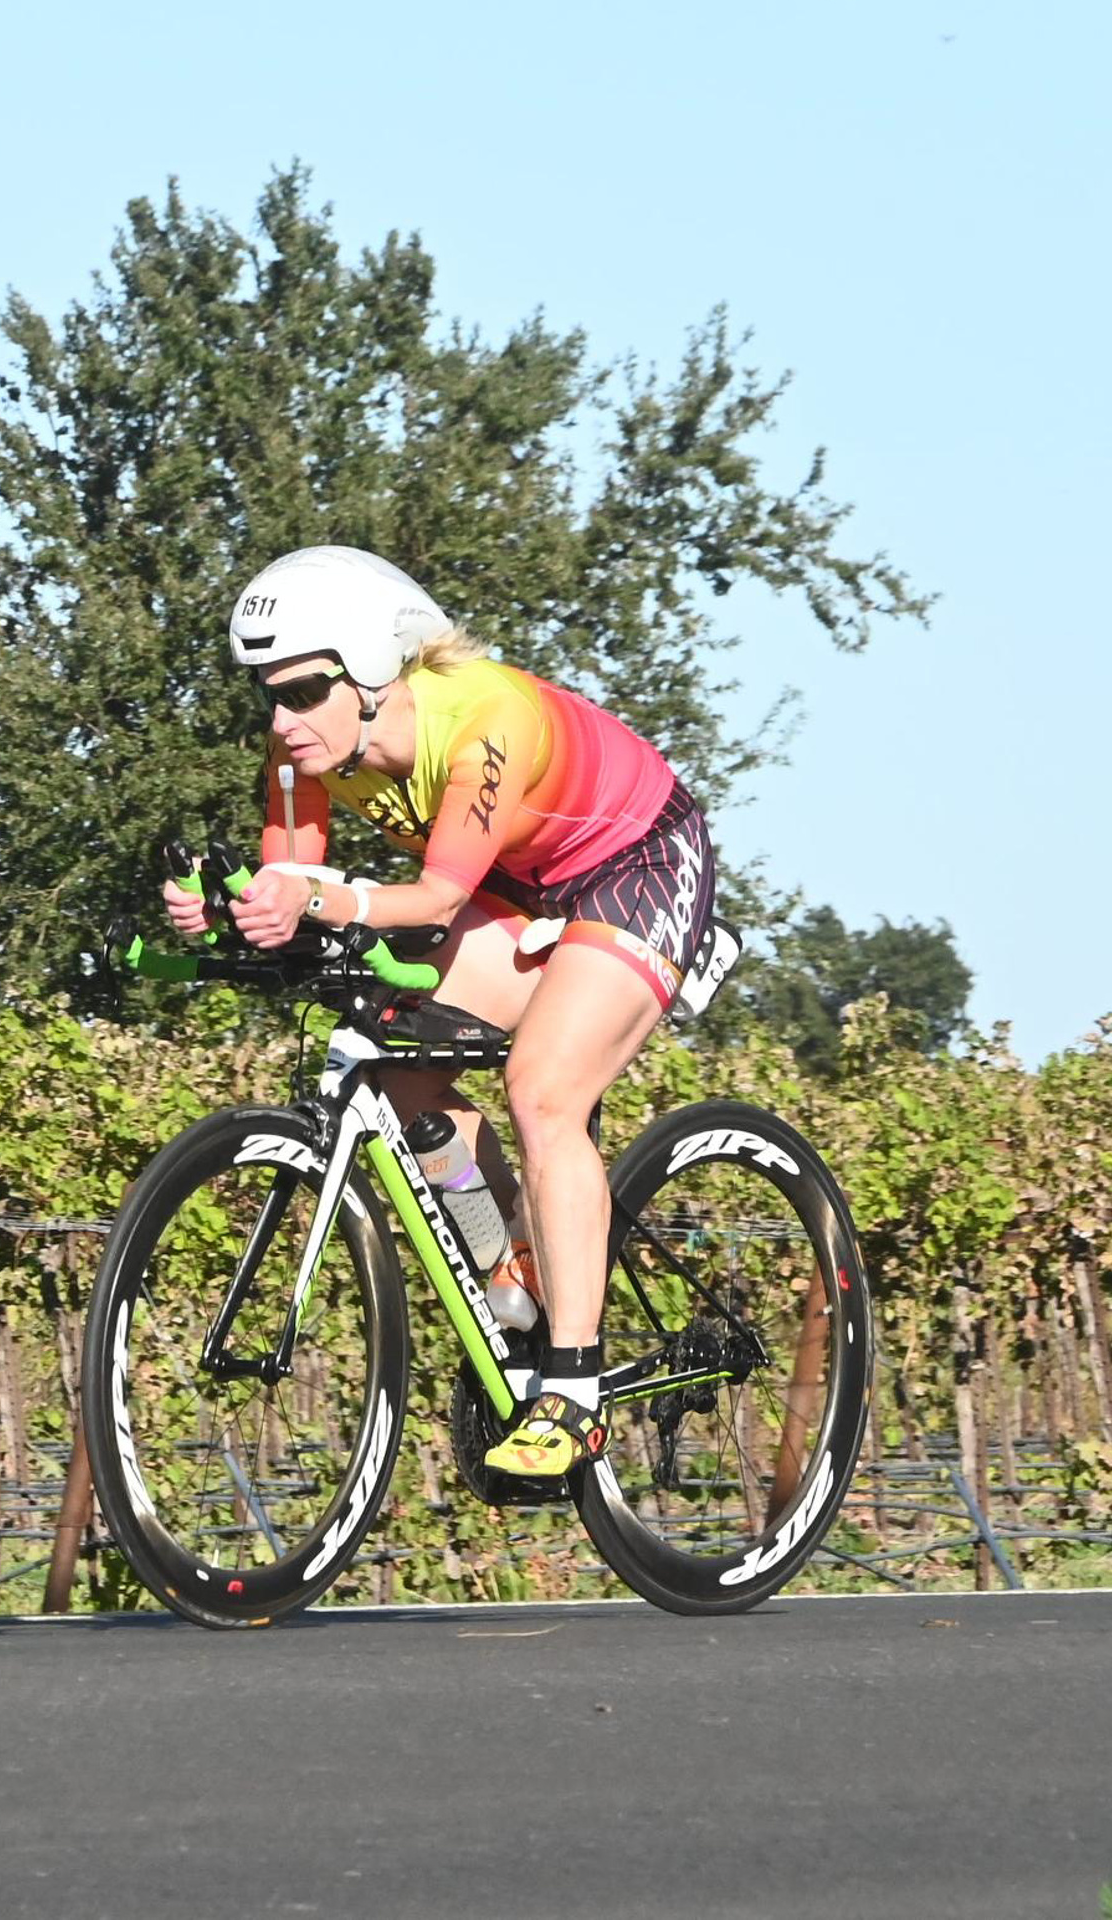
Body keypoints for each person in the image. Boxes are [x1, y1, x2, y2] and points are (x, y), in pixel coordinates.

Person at [162, 545, 717, 1478]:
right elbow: (294, 882)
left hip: (637, 864)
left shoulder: (482, 721)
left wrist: (312, 899)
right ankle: (514, 1258)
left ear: (373, 672)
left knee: (543, 1091)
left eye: (302, 691)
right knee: (396, 1063)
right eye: (268, 692)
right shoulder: (302, 747)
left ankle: (574, 1391)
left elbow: (432, 898)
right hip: (519, 882)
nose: (281, 718)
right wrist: (233, 907)